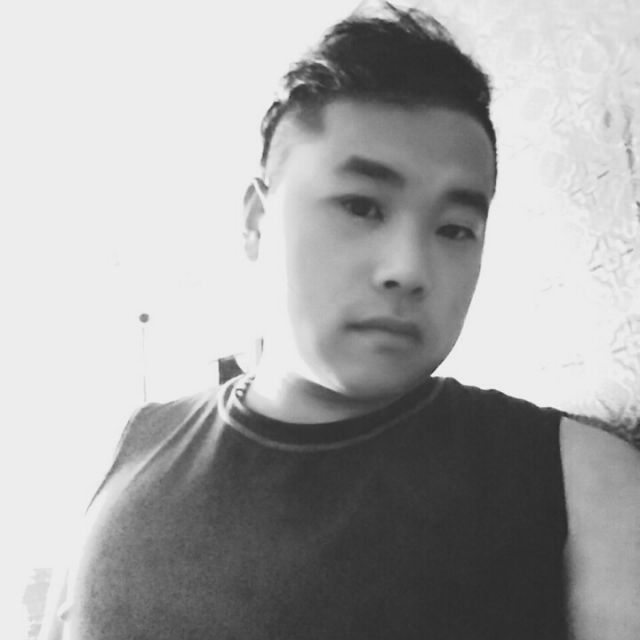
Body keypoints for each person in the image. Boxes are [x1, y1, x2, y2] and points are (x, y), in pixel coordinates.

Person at [39, 4, 640, 639]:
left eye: (455, 228)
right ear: (256, 222)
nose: (409, 268)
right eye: (361, 206)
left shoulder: (576, 479)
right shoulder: (131, 446)